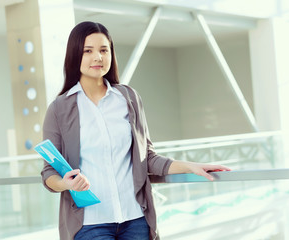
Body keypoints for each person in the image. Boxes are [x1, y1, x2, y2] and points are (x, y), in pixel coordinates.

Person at [41, 21, 230, 240]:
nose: (98, 57)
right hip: (90, 224)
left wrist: (191, 166)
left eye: (104, 50)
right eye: (88, 51)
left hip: (135, 220)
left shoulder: (128, 98)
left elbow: (147, 158)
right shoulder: (59, 108)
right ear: (75, 55)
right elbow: (48, 173)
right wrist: (66, 183)